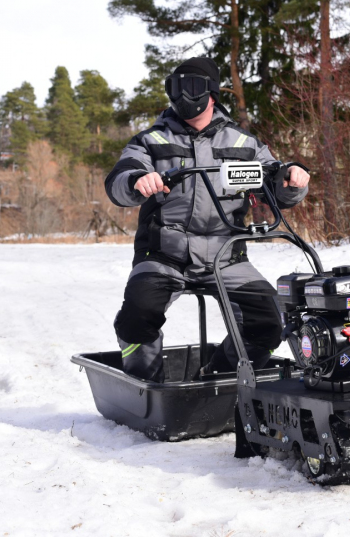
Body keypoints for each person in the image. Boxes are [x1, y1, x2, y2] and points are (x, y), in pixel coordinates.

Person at [104, 57, 310, 382]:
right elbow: (119, 182)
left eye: (194, 87)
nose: (185, 95)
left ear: (212, 93)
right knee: (136, 316)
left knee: (269, 323)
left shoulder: (244, 144)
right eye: (177, 87)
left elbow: (277, 185)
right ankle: (146, 387)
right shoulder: (150, 141)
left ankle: (221, 380)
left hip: (227, 256)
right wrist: (136, 181)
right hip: (163, 255)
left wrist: (293, 178)